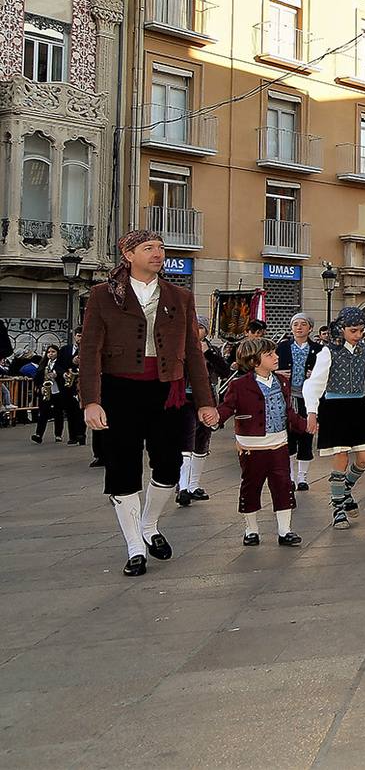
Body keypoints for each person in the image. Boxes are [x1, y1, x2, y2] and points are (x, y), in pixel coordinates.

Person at [80, 230, 218, 577]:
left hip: (166, 392)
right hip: (119, 391)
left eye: (161, 248)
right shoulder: (102, 295)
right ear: (127, 254)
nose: (158, 253)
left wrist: (205, 401)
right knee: (124, 468)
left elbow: (192, 354)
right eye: (149, 248)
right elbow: (90, 352)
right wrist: (91, 401)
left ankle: (149, 523)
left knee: (170, 466)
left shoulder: (179, 296)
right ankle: (134, 546)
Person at [302, 306, 365, 530]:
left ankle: (345, 489)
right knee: (341, 456)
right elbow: (314, 383)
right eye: (353, 330)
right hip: (335, 407)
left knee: (364, 458)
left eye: (360, 330)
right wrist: (312, 412)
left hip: (359, 405)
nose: (358, 335)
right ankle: (337, 508)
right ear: (342, 329)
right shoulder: (328, 351)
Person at [215, 337, 307, 546]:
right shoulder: (239, 385)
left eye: (275, 353)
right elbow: (228, 407)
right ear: (255, 361)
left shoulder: (282, 381)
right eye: (270, 355)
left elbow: (288, 411)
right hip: (251, 447)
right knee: (251, 486)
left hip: (279, 444)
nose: (276, 357)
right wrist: (216, 418)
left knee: (283, 486)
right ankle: (251, 529)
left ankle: (285, 530)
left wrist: (304, 425)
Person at [175, 318, 230, 506]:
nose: (196, 331)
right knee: (186, 442)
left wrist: (210, 355)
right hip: (184, 399)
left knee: (202, 441)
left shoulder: (211, 350)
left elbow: (225, 371)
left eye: (200, 327)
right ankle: (182, 487)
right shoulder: (179, 347)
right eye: (193, 327)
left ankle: (193, 484)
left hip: (206, 400)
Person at [276, 313, 318, 491]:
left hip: (308, 398)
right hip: (288, 396)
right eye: (295, 324)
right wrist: (277, 373)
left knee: (307, 434)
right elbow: (269, 366)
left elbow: (325, 371)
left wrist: (315, 374)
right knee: (289, 435)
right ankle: (291, 476)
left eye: (303, 324)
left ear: (310, 328)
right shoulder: (282, 347)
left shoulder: (319, 349)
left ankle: (303, 476)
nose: (299, 328)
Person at [54, 330, 85, 446]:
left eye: (82, 336)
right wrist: (63, 373)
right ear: (75, 336)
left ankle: (81, 434)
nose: (80, 338)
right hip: (68, 384)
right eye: (78, 336)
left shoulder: (88, 349)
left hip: (81, 383)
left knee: (80, 411)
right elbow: (58, 365)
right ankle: (72, 436)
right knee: (70, 410)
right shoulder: (65, 349)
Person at [31, 345, 63, 443]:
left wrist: (56, 375)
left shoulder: (61, 363)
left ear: (57, 353)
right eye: (49, 352)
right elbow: (37, 377)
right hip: (46, 391)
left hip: (57, 391)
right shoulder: (44, 363)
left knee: (58, 413)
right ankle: (38, 434)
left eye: (53, 352)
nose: (50, 354)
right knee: (43, 413)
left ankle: (58, 435)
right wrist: (40, 386)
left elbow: (64, 373)